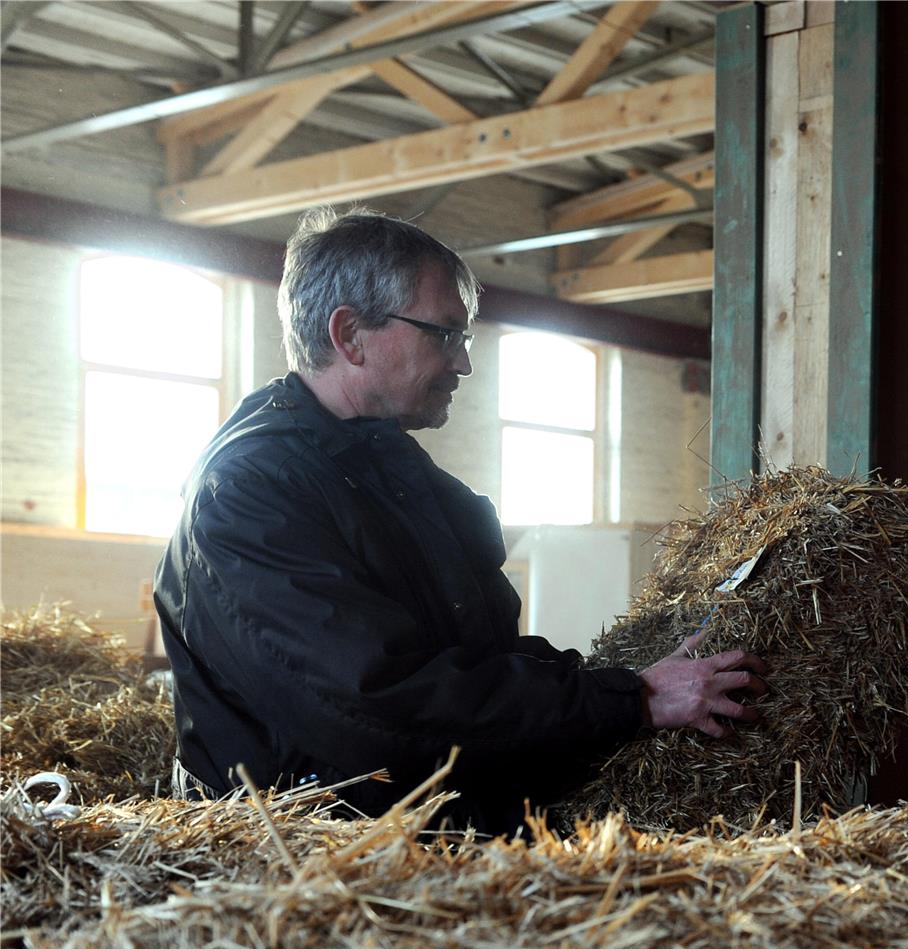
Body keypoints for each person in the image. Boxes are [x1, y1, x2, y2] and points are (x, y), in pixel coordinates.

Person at [154, 206, 764, 833]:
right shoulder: (252, 489)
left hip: (430, 828)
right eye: (443, 334)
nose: (463, 363)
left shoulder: (390, 468)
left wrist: (616, 679)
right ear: (350, 335)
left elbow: (478, 653)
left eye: (464, 338)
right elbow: (374, 707)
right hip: (315, 852)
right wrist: (631, 700)